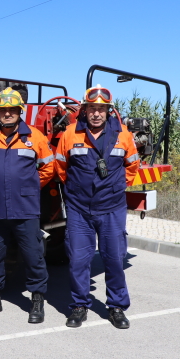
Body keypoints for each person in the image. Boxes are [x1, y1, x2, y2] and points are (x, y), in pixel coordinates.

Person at [54, 85, 140, 329]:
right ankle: (79, 306)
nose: (96, 114)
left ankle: (116, 307)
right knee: (79, 260)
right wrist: (76, 190)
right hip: (80, 209)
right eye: (92, 108)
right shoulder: (70, 134)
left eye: (101, 109)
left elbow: (132, 166)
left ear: (109, 112)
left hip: (112, 208)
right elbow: (61, 168)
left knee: (114, 260)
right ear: (85, 110)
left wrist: (116, 187)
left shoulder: (123, 135)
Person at [0, 87, 55, 323]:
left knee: (33, 255)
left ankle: (37, 300)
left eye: (12, 110)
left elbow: (48, 168)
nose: (7, 113)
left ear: (20, 111)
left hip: (25, 208)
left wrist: (28, 186)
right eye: (3, 110)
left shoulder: (35, 137)